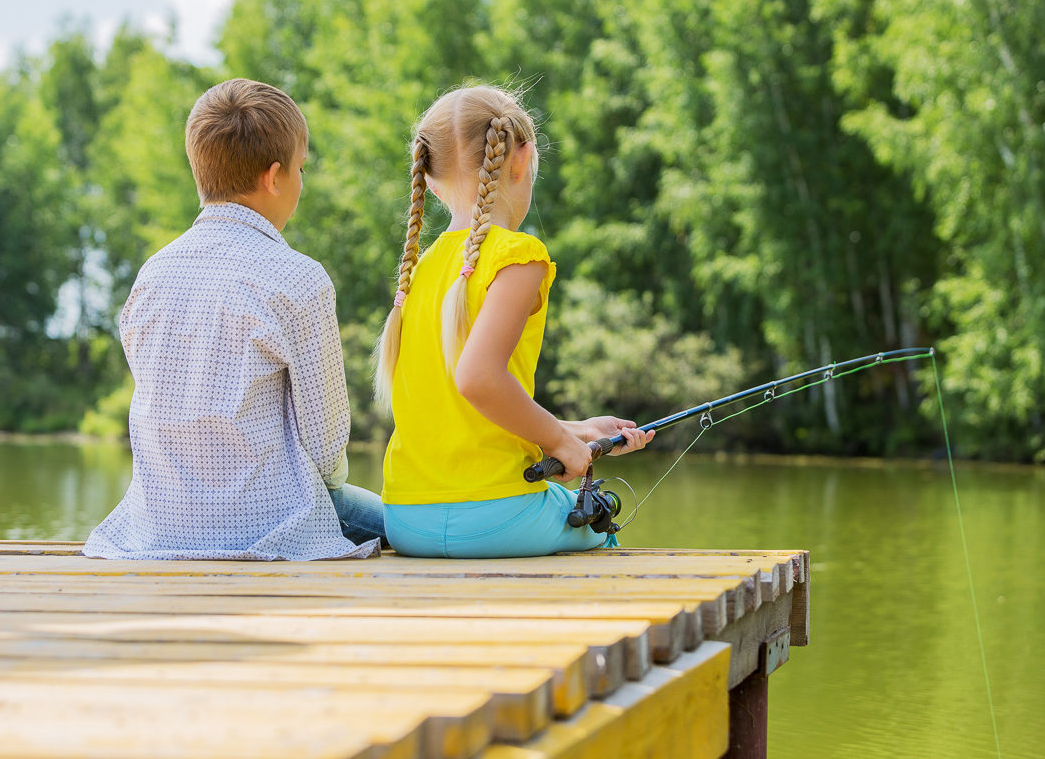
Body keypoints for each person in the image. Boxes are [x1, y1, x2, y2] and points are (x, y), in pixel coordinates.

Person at [84, 78, 383, 560]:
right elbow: (326, 448)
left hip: (157, 527)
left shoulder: (151, 276)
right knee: (405, 522)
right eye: (300, 169)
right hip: (269, 522)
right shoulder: (300, 279)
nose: (301, 184)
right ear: (273, 177)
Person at [375, 85, 653, 558]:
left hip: (405, 519)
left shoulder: (418, 272)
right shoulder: (518, 256)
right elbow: (479, 378)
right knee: (602, 520)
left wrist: (574, 431)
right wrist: (558, 444)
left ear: (434, 184)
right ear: (522, 159)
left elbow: (467, 411)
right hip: (495, 517)